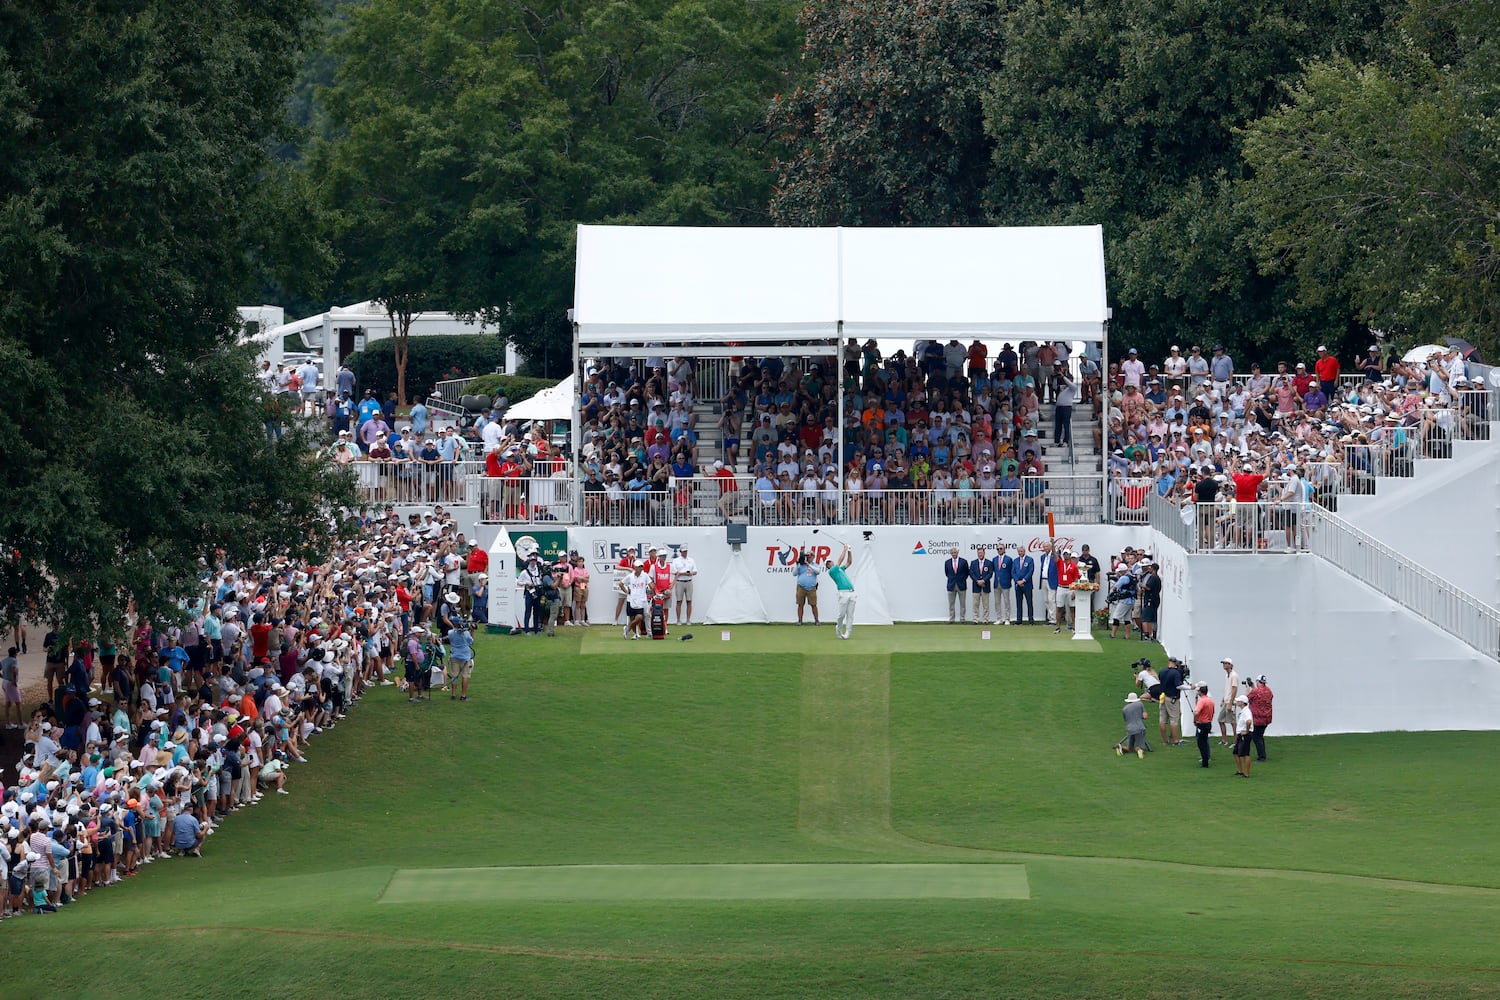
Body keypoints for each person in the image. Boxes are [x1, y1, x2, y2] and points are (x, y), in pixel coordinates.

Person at [824, 544, 856, 639]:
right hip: (843, 593)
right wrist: (845, 549)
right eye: (829, 562)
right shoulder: (832, 571)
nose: (831, 562)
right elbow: (840, 560)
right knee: (841, 614)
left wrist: (849, 551)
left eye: (830, 561)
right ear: (828, 566)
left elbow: (849, 562)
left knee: (850, 615)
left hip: (852, 593)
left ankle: (847, 634)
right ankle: (838, 630)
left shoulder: (840, 569)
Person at [1156, 657, 1186, 747]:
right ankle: (1175, 740)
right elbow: (1178, 686)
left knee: (1162, 720)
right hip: (1172, 699)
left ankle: (1165, 741)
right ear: (1175, 663)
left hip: (1163, 697)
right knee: (1174, 720)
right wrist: (1190, 687)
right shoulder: (1176, 673)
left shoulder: (1162, 671)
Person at [619, 561, 653, 640]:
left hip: (642, 600)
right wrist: (627, 592)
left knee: (641, 617)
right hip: (631, 600)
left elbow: (651, 584)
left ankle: (628, 628)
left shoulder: (645, 575)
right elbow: (621, 584)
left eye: (641, 566)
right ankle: (635, 634)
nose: (641, 568)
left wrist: (652, 588)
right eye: (639, 566)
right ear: (635, 567)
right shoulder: (630, 576)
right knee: (632, 618)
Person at [447, 615, 474, 701]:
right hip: (465, 657)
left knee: (454, 676)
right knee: (465, 676)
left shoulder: (450, 633)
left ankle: (453, 694)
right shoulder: (465, 633)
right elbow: (471, 641)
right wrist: (472, 630)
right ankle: (463, 695)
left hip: (454, 656)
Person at [1248, 674, 1274, 761]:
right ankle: (1262, 755)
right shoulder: (1269, 691)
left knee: (1256, 737)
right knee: (1260, 736)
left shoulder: (1255, 691)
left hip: (1257, 717)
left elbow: (1247, 698)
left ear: (1258, 681)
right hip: (1266, 717)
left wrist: (1248, 688)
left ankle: (1262, 756)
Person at [1116, 693, 1149, 759]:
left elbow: (1126, 720)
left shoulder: (1124, 709)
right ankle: (1139, 750)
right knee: (1140, 746)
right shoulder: (1140, 704)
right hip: (1139, 728)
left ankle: (1121, 747)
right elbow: (1145, 716)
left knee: (1129, 748)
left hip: (1129, 729)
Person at [671, 545, 697, 625]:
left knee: (689, 601)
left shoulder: (691, 560)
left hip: (689, 581)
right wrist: (682, 573)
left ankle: (688, 620)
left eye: (686, 551)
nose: (685, 553)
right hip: (679, 582)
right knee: (679, 601)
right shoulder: (676, 560)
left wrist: (690, 573)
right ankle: (678, 620)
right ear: (680, 552)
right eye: (683, 551)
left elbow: (695, 571)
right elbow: (674, 571)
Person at [969, 546, 994, 624]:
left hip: (985, 586)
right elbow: (971, 573)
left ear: (984, 553)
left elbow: (990, 573)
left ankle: (985, 620)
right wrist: (977, 581)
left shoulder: (989, 563)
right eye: (978, 553)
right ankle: (975, 620)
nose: (980, 554)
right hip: (976, 586)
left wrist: (983, 580)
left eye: (981, 552)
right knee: (975, 604)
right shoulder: (973, 563)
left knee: (986, 604)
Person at [944, 548, 970, 623]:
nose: (954, 554)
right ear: (950, 553)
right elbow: (947, 573)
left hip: (961, 585)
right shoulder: (947, 562)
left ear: (957, 552)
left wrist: (962, 579)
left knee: (962, 604)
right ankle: (952, 619)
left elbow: (967, 572)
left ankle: (962, 619)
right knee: (951, 604)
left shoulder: (963, 561)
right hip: (951, 585)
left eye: (955, 552)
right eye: (952, 553)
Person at [1217, 657, 1239, 746]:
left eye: (1226, 663)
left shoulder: (1234, 675)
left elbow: (1234, 689)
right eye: (1223, 663)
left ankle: (1236, 742)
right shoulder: (1227, 675)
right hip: (1226, 701)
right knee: (1220, 720)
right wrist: (1223, 699)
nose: (1224, 665)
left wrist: (1230, 703)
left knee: (1233, 723)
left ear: (1230, 665)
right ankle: (1224, 740)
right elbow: (1228, 689)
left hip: (1230, 702)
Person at [1193, 684, 1215, 768]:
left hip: (1202, 723)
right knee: (1205, 742)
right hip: (1208, 723)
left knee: (1201, 743)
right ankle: (1206, 759)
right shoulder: (1210, 701)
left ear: (1200, 692)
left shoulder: (1202, 701)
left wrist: (1195, 720)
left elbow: (1196, 712)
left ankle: (1205, 762)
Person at [1233, 694, 1254, 778]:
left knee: (1245, 754)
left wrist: (1247, 731)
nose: (1237, 702)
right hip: (1240, 734)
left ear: (1242, 702)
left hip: (1244, 735)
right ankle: (1240, 771)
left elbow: (1249, 721)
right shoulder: (1243, 711)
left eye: (1238, 701)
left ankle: (1247, 773)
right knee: (1236, 753)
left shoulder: (1246, 711)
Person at [1012, 547, 1035, 624]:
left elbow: (1030, 571)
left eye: (1021, 551)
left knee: (1029, 603)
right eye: (1019, 551)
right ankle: (1019, 620)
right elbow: (1013, 572)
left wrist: (1023, 580)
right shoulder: (1015, 561)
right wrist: (1017, 581)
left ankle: (1031, 620)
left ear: (1024, 551)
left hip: (1027, 584)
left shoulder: (1030, 560)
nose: (1020, 553)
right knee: (1019, 603)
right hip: (1018, 585)